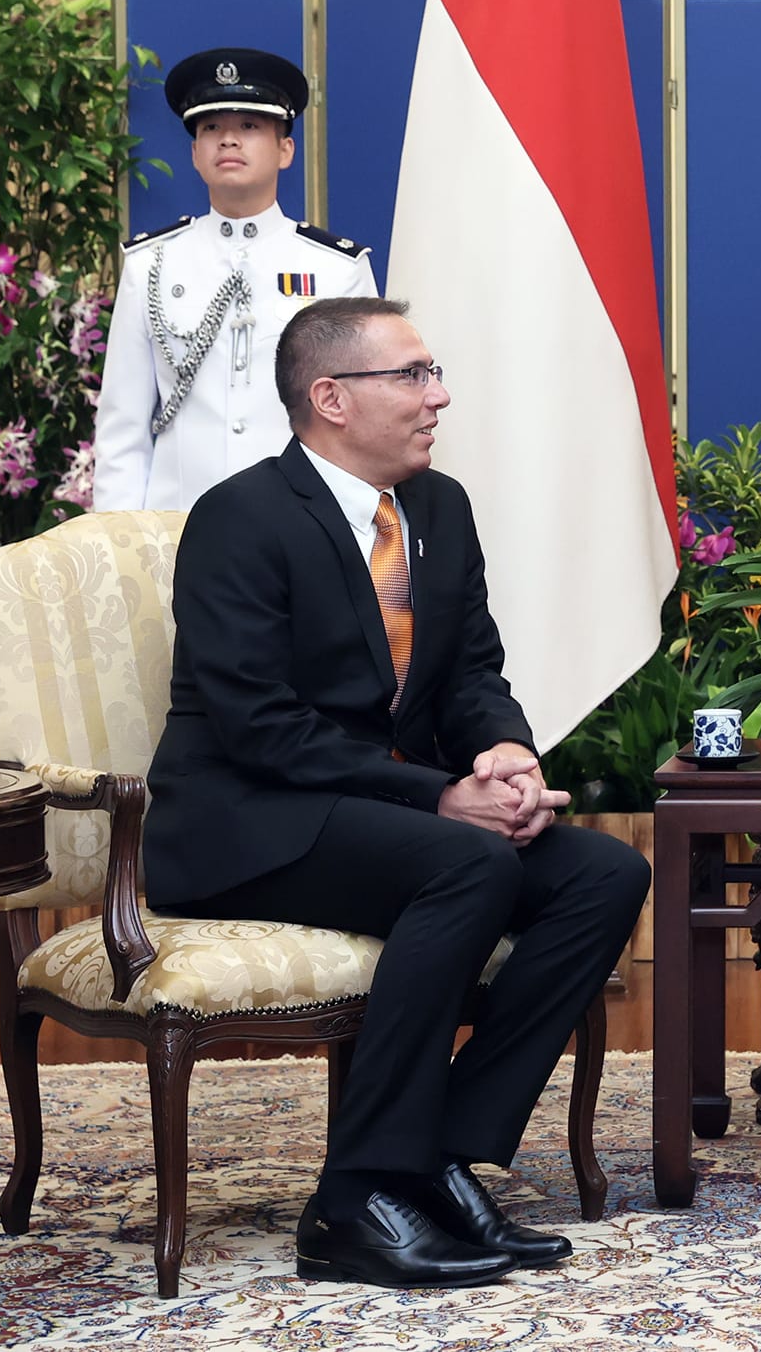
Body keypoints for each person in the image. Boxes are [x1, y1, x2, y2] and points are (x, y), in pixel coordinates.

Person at [142, 296, 651, 1290]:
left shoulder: (438, 508)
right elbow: (260, 729)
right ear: (331, 398)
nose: (439, 396)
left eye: (434, 374)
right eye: (413, 376)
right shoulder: (240, 519)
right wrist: (436, 799)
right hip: (250, 822)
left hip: (376, 813)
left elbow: (470, 677)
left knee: (602, 872)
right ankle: (354, 1200)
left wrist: (505, 756)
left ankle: (440, 1158)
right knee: (465, 858)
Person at [93, 47, 379, 512]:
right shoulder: (151, 263)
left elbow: (364, 416)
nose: (228, 140)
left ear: (285, 149)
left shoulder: (337, 270)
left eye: (249, 127)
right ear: (194, 153)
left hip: (302, 528)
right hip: (178, 530)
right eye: (211, 128)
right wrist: (117, 545)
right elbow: (122, 428)